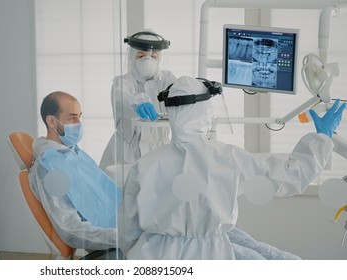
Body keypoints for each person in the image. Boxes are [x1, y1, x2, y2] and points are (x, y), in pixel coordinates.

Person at [120, 76, 345, 260]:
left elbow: (128, 230)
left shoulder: (144, 165)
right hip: (209, 256)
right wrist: (321, 139)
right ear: (204, 111)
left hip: (149, 258)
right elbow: (289, 176)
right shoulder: (227, 157)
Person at [29, 91, 123, 258]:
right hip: (111, 246)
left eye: (79, 117)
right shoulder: (48, 167)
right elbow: (70, 229)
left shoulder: (74, 153)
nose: (79, 123)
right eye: (72, 118)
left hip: (121, 233)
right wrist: (124, 236)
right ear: (52, 121)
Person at [99, 29, 177, 170]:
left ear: (160, 58)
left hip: (160, 148)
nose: (147, 60)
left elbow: (180, 93)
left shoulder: (167, 79)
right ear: (131, 57)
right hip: (126, 151)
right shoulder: (122, 82)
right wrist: (138, 103)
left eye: (153, 56)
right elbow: (122, 98)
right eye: (141, 55)